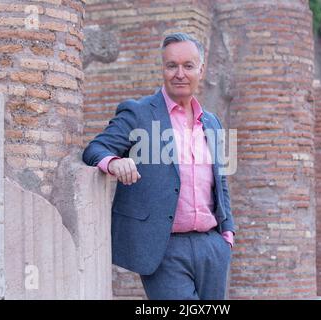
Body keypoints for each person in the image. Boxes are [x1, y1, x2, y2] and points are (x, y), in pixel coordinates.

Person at [82, 32, 235, 300]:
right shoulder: (139, 113)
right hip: (163, 248)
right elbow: (95, 149)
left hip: (213, 247)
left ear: (201, 69)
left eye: (188, 66)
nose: (179, 74)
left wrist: (227, 234)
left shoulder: (212, 122)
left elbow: (219, 181)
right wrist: (115, 163)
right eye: (171, 65)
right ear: (162, 69)